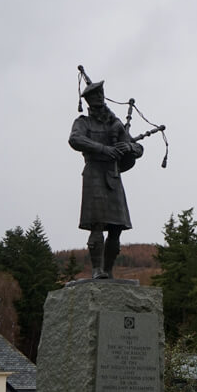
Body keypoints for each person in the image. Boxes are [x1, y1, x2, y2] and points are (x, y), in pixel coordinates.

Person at [69, 75, 143, 279]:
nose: (100, 99)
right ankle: (96, 270)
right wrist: (103, 149)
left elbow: (138, 148)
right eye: (95, 97)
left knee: (116, 227)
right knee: (97, 223)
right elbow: (74, 139)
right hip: (94, 173)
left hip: (113, 175)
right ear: (89, 102)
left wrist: (128, 146)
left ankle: (108, 272)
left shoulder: (115, 124)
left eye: (101, 95)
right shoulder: (82, 122)